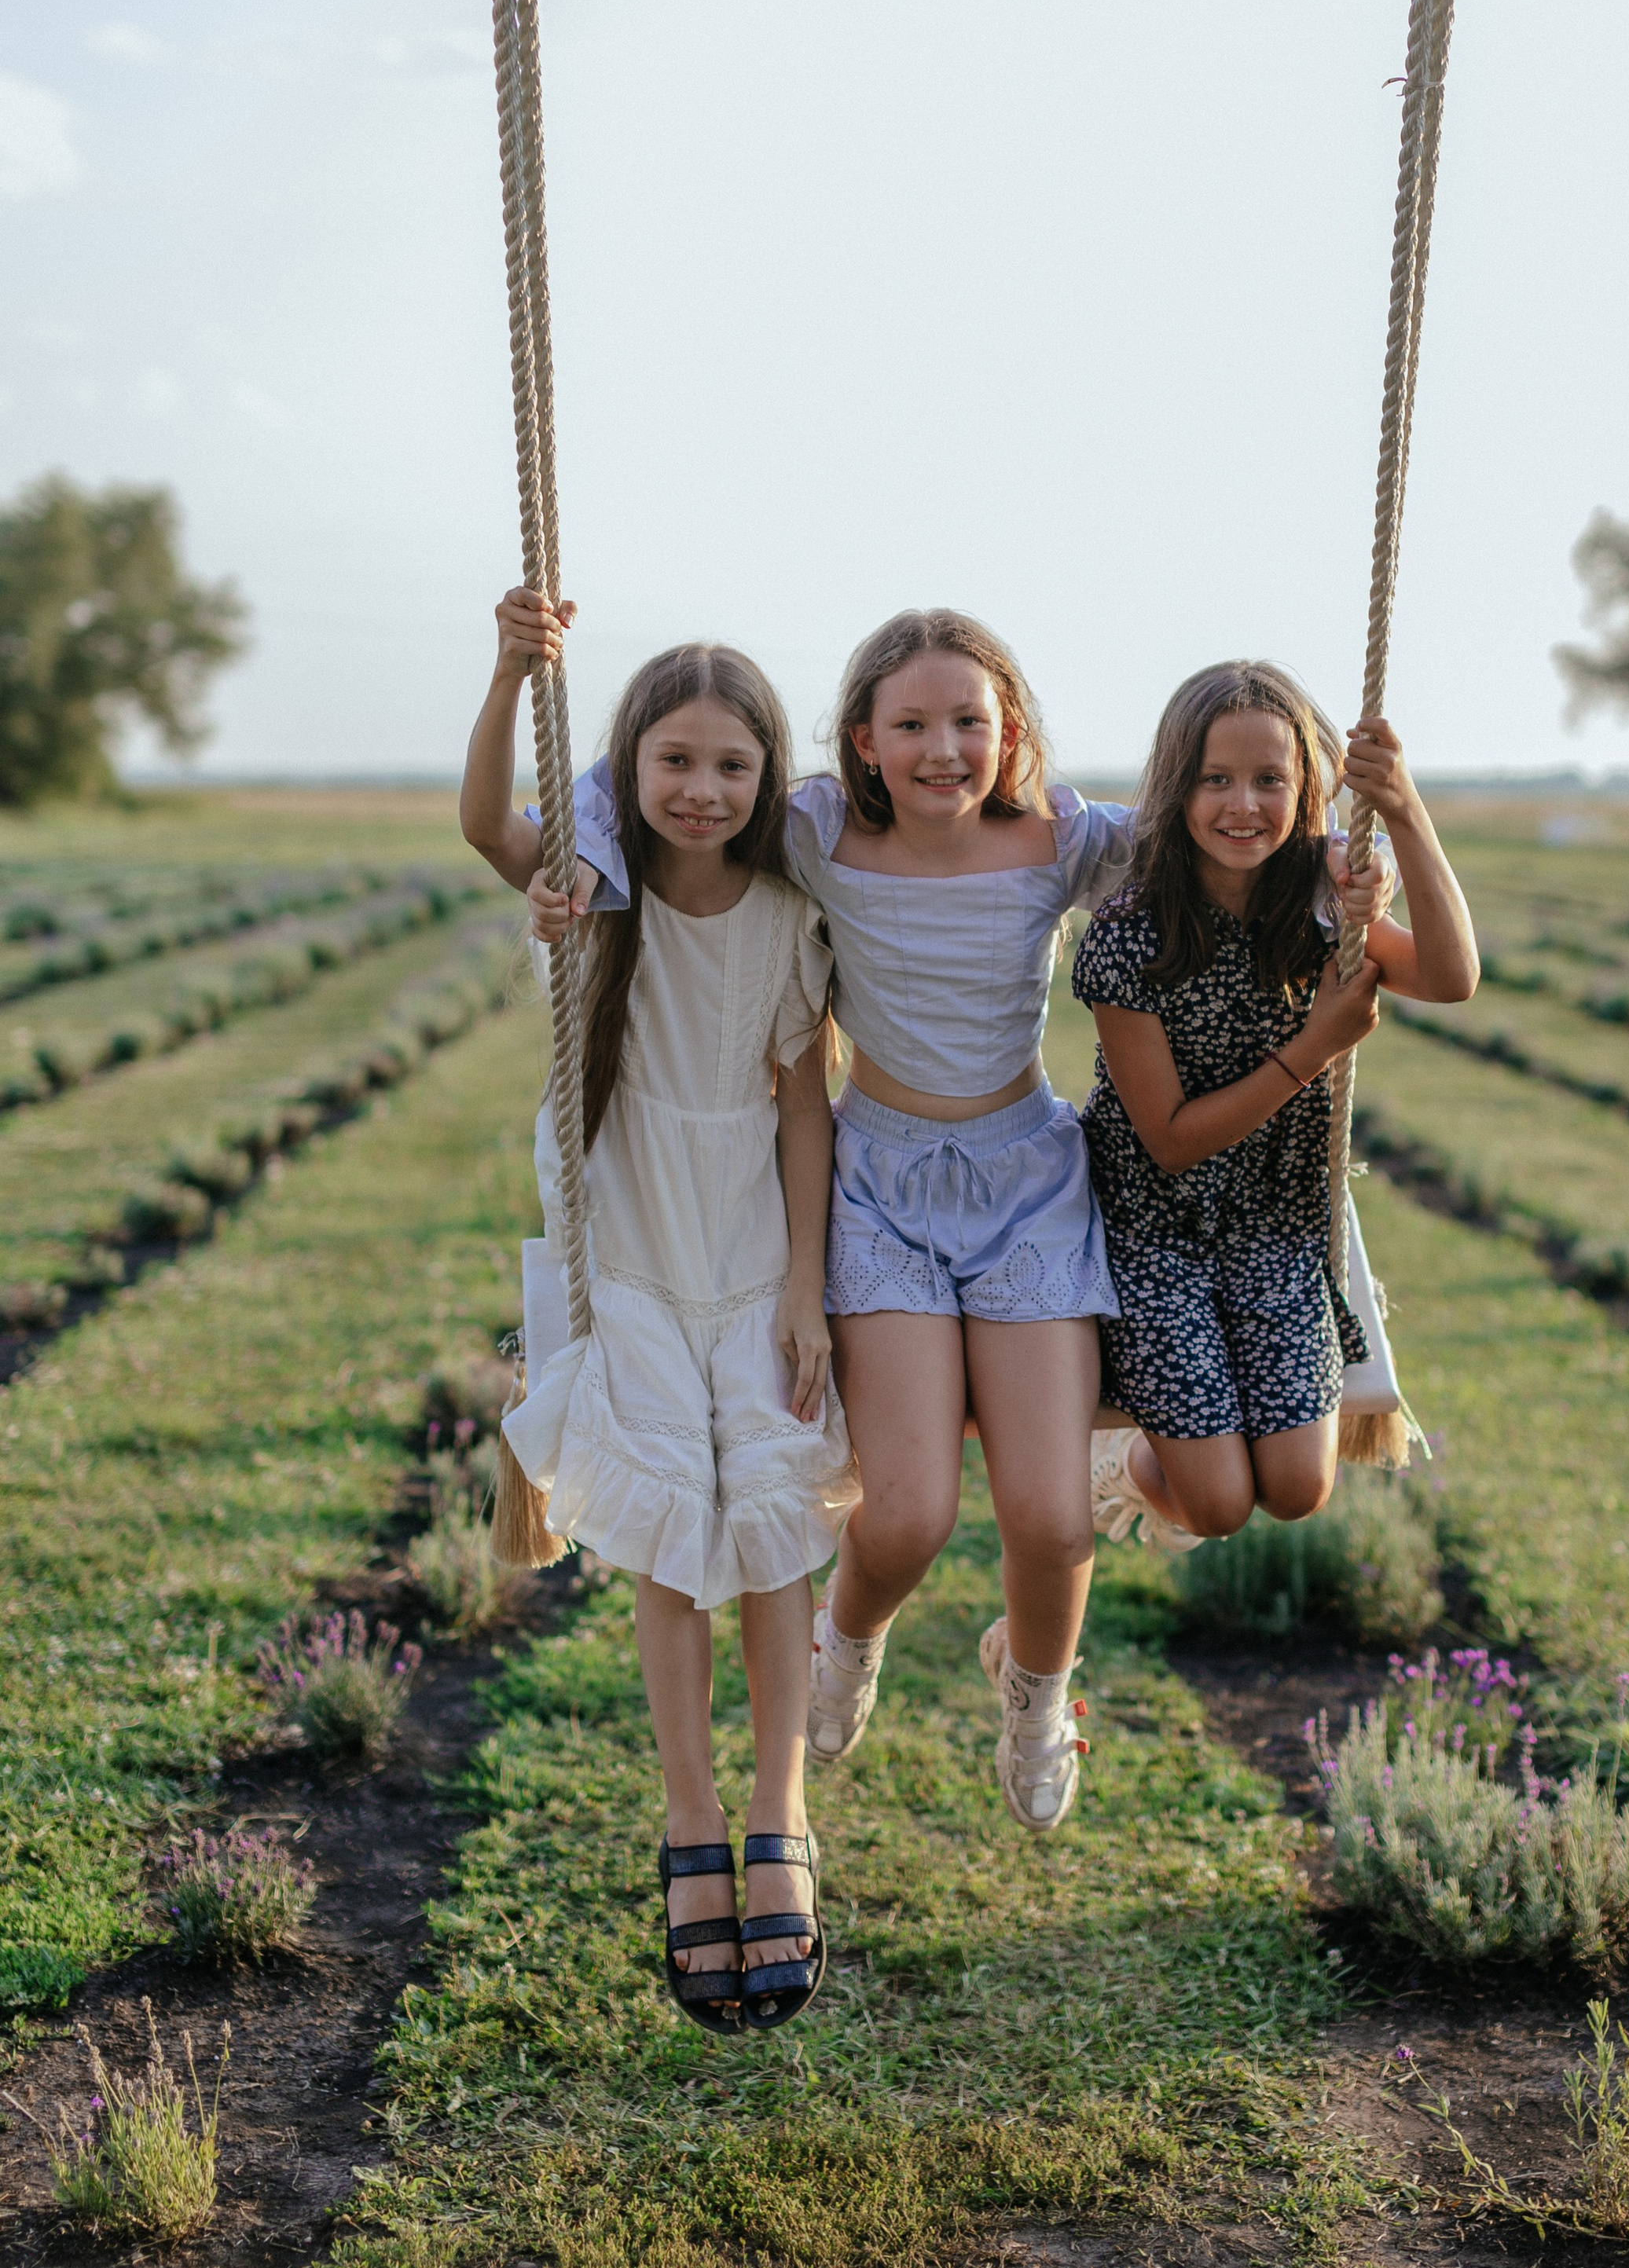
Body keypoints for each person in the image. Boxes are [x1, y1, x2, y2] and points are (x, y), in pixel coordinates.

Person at [526, 606, 1393, 1834]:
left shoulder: (1062, 840)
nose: (943, 750)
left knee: (1047, 1516)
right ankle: (847, 1637)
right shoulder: (817, 831)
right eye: (913, 725)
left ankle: (1036, 1697)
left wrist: (1357, 849)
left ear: (1011, 731)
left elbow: (1231, 827)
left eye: (969, 723)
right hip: (881, 1190)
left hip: (1027, 1185)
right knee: (910, 1513)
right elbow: (646, 783)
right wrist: (569, 852)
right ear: (862, 743)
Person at [461, 593, 857, 2038]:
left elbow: (805, 1108)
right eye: (674, 760)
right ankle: (692, 1818)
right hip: (625, 1246)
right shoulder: (589, 894)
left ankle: (778, 1809)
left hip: (748, 1244)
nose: (701, 789)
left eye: (731, 765)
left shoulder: (787, 915)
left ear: (766, 777)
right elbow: (485, 827)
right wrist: (511, 673)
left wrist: (807, 1287)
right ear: (626, 765)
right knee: (677, 1541)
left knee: (775, 1517)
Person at [1071, 663, 1478, 1551]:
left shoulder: (1323, 907)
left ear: (1306, 790)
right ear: (1176, 786)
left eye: (1269, 780)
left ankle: (1180, 1452)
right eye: (1215, 779)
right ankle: (1126, 1467)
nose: (1243, 805)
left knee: (1296, 1489)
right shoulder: (1129, 935)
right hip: (1152, 1237)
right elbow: (1171, 1142)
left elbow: (1451, 977)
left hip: (1275, 1226)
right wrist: (1314, 1047)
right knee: (1217, 1507)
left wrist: (1404, 809)